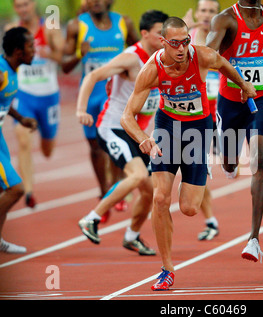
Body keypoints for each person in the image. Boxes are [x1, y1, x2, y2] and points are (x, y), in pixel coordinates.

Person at [121, 17, 256, 291]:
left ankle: (197, 168)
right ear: (163, 42)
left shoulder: (202, 56)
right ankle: (167, 268)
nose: (182, 48)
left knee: (189, 208)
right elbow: (127, 117)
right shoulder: (151, 70)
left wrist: (244, 86)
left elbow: (225, 65)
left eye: (185, 41)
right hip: (167, 127)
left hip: (198, 127)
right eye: (175, 43)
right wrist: (143, 138)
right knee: (160, 198)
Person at [206, 0, 263, 262]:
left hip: (260, 99)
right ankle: (228, 163)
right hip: (230, 103)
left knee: (259, 160)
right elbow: (211, 53)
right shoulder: (225, 20)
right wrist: (202, 50)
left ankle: (253, 239)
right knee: (230, 161)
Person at [77, 10, 169, 255]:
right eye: (160, 34)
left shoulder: (163, 57)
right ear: (144, 34)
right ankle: (92, 217)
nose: (164, 39)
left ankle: (132, 236)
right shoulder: (131, 58)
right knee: (138, 176)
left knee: (152, 190)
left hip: (135, 132)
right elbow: (93, 76)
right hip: (112, 127)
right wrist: (81, 109)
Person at [62, 0, 138, 221]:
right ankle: (104, 191)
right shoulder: (77, 26)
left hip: (116, 96)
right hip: (91, 96)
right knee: (95, 147)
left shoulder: (124, 23)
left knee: (115, 141)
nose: (95, 1)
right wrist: (78, 54)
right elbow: (65, 65)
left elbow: (140, 51)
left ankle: (116, 188)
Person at [4, 0, 64, 208]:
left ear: (34, 4)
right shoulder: (12, 30)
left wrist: (50, 53)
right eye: (19, 6)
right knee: (22, 139)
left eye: (26, 4)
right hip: (24, 94)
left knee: (47, 150)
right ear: (15, 8)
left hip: (48, 96)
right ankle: (28, 191)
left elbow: (63, 56)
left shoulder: (49, 27)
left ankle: (46, 138)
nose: (23, 9)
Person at [184, 0, 221, 241]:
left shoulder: (225, 35)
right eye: (204, 11)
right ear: (197, 13)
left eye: (212, 12)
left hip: (224, 112)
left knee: (232, 168)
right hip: (198, 112)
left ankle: (211, 219)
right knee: (198, 167)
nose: (207, 15)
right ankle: (211, 220)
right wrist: (186, 32)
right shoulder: (187, 36)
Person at [0, 27, 37, 253]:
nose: (35, 51)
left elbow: (4, 103)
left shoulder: (12, 70)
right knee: (16, 189)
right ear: (18, 51)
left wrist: (21, 118)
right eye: (30, 47)